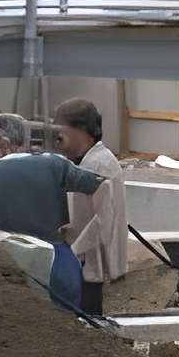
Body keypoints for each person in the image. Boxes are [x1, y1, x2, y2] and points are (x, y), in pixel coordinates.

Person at [0, 113, 108, 313]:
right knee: (71, 332)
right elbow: (99, 184)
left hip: (14, 266)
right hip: (60, 266)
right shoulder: (55, 164)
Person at [49, 96, 132, 294]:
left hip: (89, 264)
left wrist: (74, 252)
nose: (57, 136)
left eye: (61, 129)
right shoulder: (89, 161)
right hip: (84, 260)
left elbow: (104, 219)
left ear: (80, 130)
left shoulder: (98, 164)